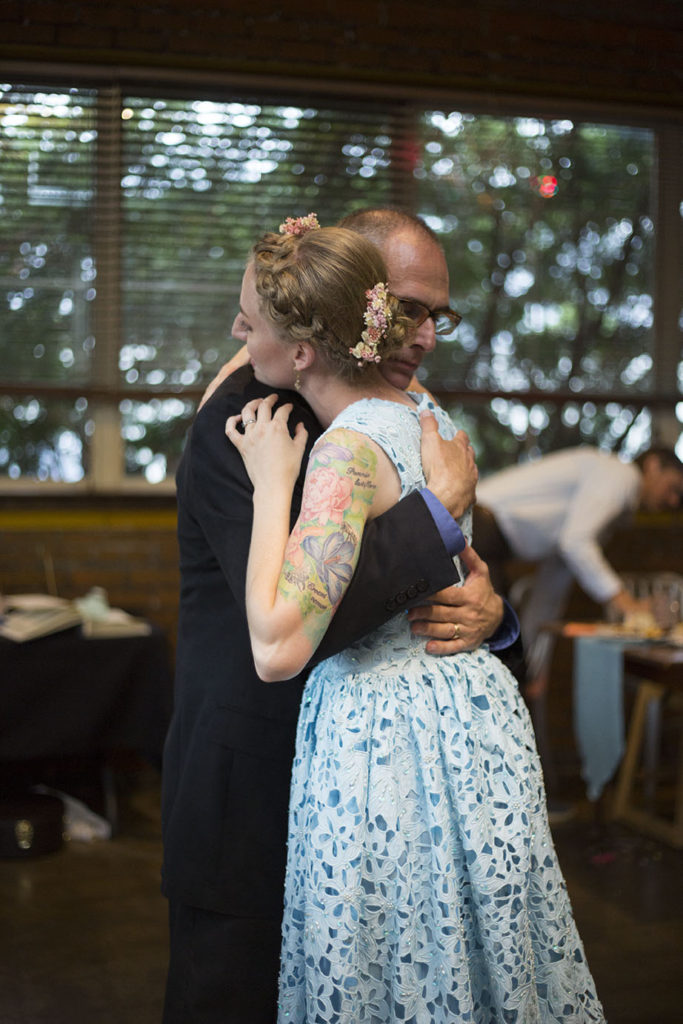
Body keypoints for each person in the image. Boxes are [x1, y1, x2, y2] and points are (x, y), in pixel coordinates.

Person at [226, 217, 604, 1022]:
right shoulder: (431, 423)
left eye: (247, 323)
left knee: (394, 968)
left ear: (302, 349)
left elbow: (277, 644)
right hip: (472, 722)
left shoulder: (337, 450)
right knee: (479, 954)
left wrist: (271, 483)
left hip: (387, 740)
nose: (235, 337)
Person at [161, 211, 517, 1022]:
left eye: (434, 315)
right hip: (252, 798)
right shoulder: (246, 423)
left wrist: (493, 613)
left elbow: (463, 578)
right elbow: (308, 619)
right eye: (403, 308)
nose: (420, 336)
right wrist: (433, 519)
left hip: (390, 810)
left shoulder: (417, 419)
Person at [475, 445, 683, 698]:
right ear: (652, 466)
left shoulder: (599, 511)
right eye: (673, 488)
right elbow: (576, 543)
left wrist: (533, 668)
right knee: (499, 650)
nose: (673, 501)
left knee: (510, 663)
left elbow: (550, 592)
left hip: (487, 537)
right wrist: (628, 604)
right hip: (477, 526)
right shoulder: (621, 475)